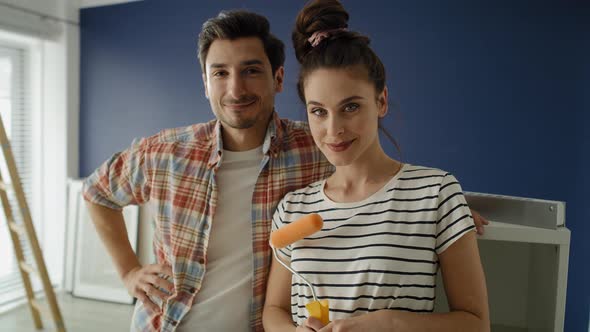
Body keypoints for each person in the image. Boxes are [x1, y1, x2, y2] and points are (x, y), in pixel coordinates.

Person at [82, 7, 488, 332]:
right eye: (220, 73)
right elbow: (96, 192)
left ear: (278, 78)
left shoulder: (314, 146)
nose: (236, 89)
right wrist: (130, 270)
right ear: (204, 83)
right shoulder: (164, 153)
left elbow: (374, 180)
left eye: (251, 70)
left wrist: (441, 216)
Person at [262, 1, 490, 331]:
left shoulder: (436, 193)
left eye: (350, 107)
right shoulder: (293, 209)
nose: (333, 129)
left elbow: (476, 324)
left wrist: (390, 323)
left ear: (381, 101)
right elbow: (274, 309)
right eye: (319, 111)